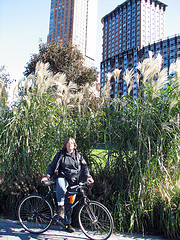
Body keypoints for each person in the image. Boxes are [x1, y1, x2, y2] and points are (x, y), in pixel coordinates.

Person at [41, 137, 94, 233]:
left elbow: (85, 167)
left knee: (69, 204)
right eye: (68, 143)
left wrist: (88, 177)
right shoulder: (60, 155)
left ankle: (67, 225)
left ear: (74, 146)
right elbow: (52, 166)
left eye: (72, 144)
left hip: (73, 182)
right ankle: (60, 207)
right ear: (66, 145)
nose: (70, 145)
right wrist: (47, 176)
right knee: (60, 185)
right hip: (62, 177)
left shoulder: (79, 156)